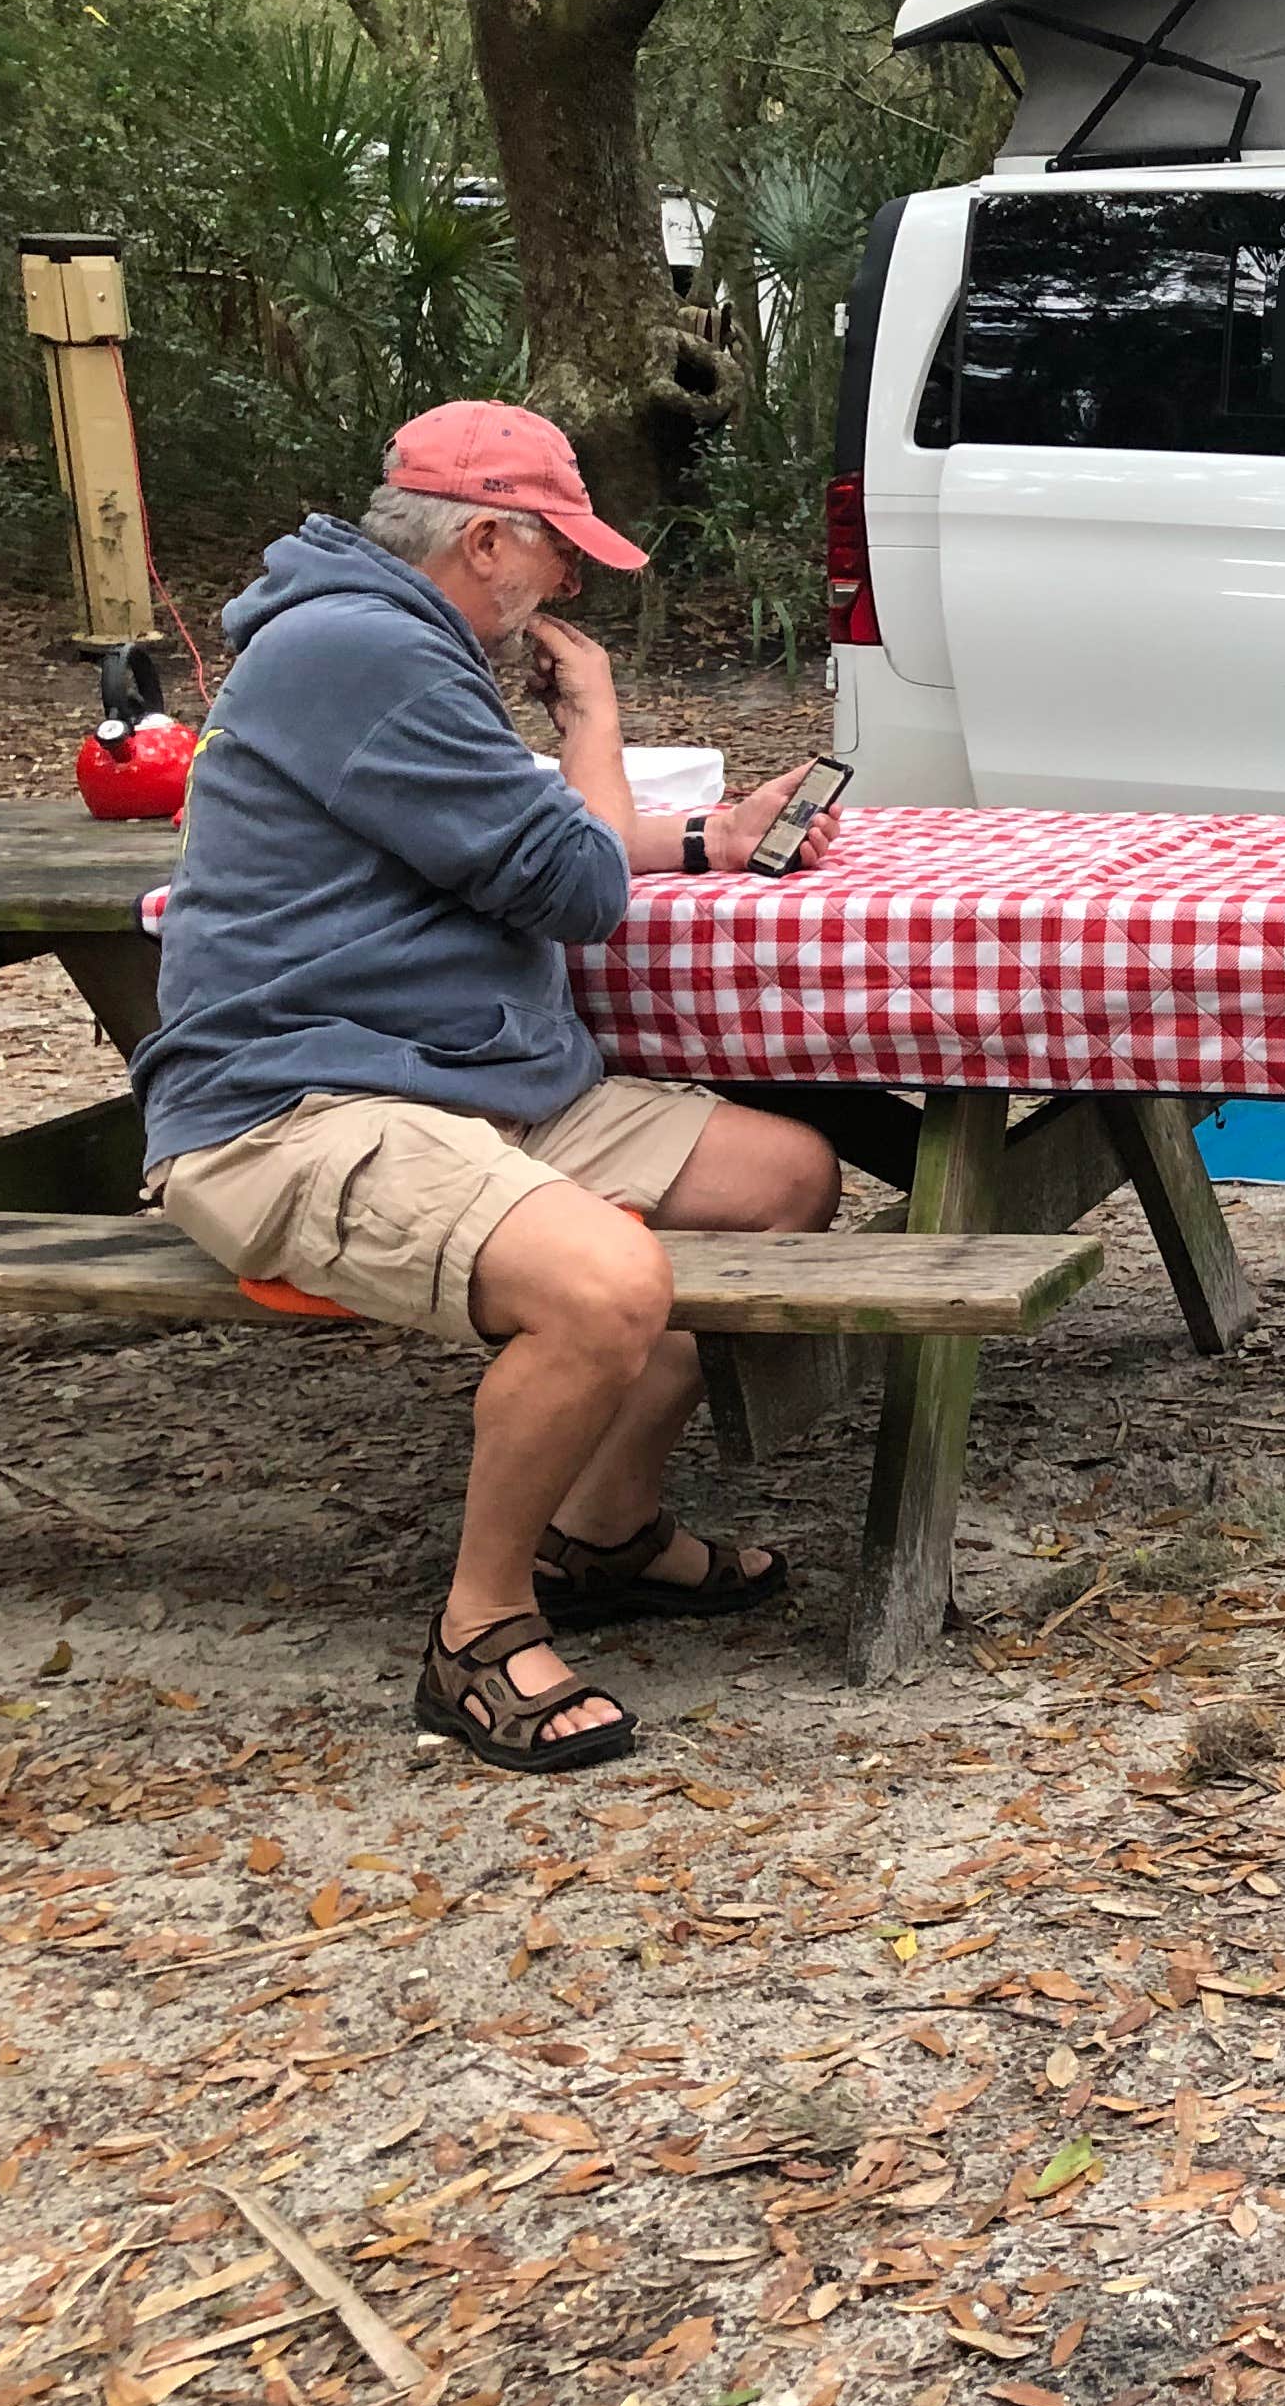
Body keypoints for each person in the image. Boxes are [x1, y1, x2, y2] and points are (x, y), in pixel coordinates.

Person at [132, 401, 849, 1775]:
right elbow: (574, 885)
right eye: (559, 558)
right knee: (606, 1286)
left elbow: (509, 841)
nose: (567, 590)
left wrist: (708, 835)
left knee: (783, 1182)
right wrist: (596, 717)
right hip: (297, 1099)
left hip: (462, 1075)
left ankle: (605, 1534)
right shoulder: (364, 651)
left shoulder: (390, 640)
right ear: (483, 541)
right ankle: (479, 1626)